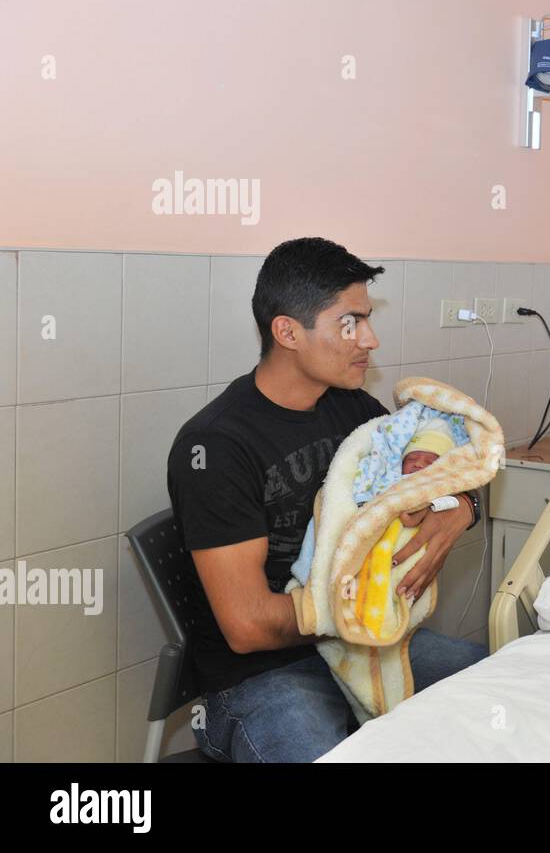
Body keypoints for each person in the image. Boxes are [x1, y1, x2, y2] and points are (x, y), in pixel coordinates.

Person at [166, 237, 487, 762]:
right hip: (261, 679)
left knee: (500, 689)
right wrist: (356, 609)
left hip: (363, 646)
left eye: (367, 319)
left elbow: (434, 468)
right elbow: (247, 627)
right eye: (350, 323)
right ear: (287, 332)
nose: (371, 339)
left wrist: (463, 511)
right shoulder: (216, 448)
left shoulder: (353, 410)